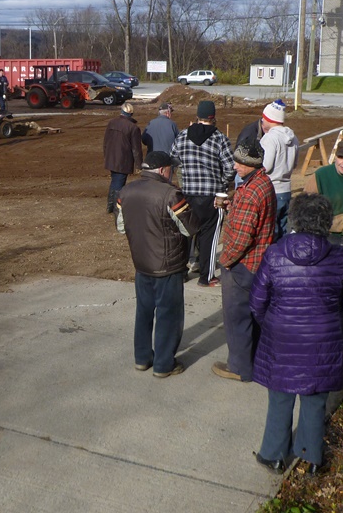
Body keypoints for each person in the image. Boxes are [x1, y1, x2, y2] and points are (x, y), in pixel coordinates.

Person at [250, 193, 343, 475]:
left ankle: (273, 455)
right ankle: (310, 459)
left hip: (282, 338)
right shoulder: (337, 256)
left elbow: (257, 301)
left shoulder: (274, 253)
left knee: (280, 398)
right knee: (315, 401)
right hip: (324, 340)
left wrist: (272, 323)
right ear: (326, 222)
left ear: (295, 219)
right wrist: (340, 329)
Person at [116, 151, 200, 378]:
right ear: (163, 170)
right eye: (170, 169)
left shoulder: (125, 191)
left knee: (143, 312)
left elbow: (121, 227)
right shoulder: (171, 195)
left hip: (141, 264)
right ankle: (164, 364)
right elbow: (190, 228)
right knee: (168, 315)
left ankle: (142, 358)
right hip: (168, 265)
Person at [211, 137, 276, 382]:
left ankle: (239, 368)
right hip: (258, 264)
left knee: (236, 317)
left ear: (252, 164)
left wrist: (225, 262)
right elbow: (253, 220)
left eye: (239, 163)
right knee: (254, 316)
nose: (235, 166)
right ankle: (255, 361)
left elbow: (242, 237)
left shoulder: (250, 193)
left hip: (243, 266)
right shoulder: (261, 183)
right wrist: (231, 205)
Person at [171, 100, 236, 287]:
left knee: (185, 234)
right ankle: (206, 277)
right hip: (212, 196)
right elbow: (230, 168)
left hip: (188, 194)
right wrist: (222, 183)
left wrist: (186, 173)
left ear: (197, 116)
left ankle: (181, 272)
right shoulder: (220, 139)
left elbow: (174, 159)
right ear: (213, 118)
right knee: (210, 237)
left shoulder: (182, 136)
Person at [258, 99, 298, 239]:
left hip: (272, 190)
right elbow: (294, 164)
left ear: (269, 119)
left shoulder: (269, 138)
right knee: (282, 230)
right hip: (286, 190)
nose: (262, 122)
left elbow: (266, 166)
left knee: (270, 233)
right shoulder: (293, 138)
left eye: (263, 119)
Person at [103, 102, 143, 213]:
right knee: (119, 183)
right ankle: (115, 207)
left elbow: (106, 142)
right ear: (131, 113)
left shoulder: (112, 123)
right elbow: (136, 148)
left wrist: (106, 156)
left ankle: (110, 205)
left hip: (111, 158)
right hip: (123, 160)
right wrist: (139, 165)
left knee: (115, 181)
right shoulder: (133, 128)